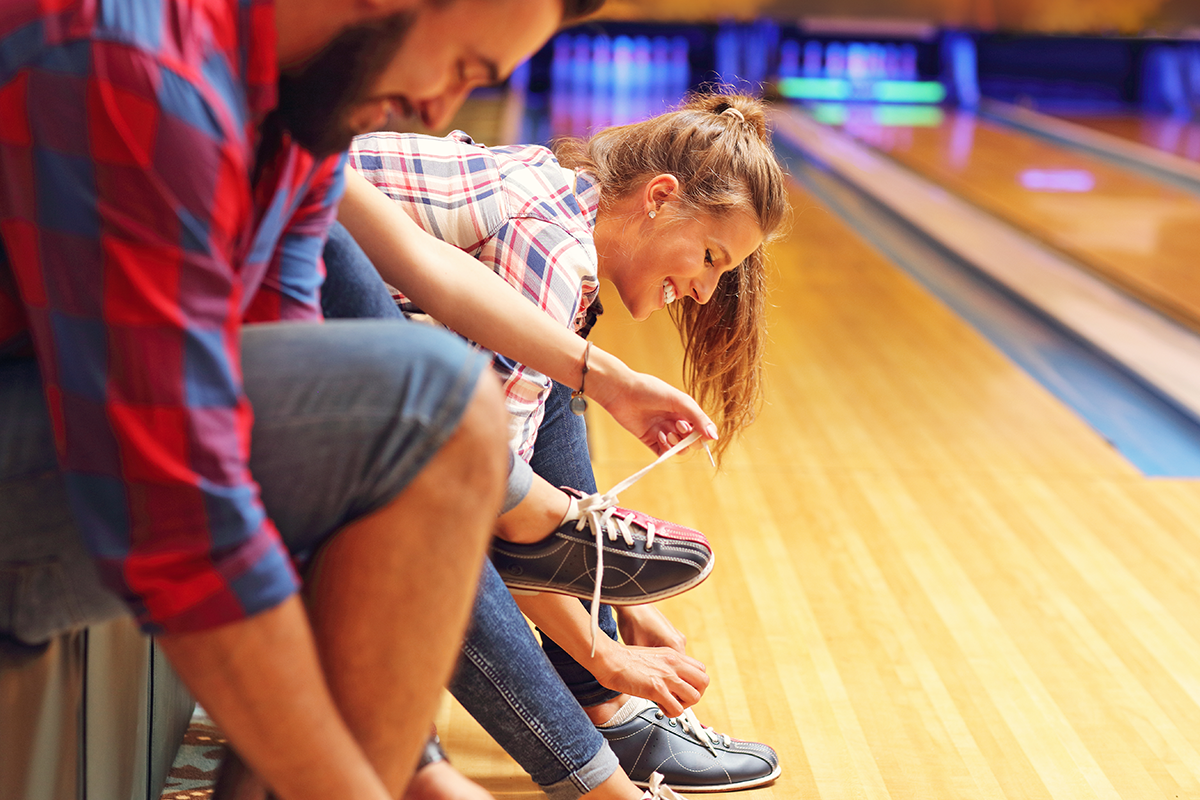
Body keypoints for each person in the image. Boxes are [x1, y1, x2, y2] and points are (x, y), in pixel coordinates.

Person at [0, 1, 715, 799]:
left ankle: (541, 541)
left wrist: (416, 763)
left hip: (82, 428)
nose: (443, 112)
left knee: (445, 406)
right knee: (433, 404)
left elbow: (300, 415)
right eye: (463, 68)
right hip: (51, 461)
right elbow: (180, 505)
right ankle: (544, 562)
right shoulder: (134, 71)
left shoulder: (298, 113)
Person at [337, 91, 790, 794]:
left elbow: (507, 461)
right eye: (710, 257)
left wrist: (622, 604)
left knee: (550, 395)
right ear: (659, 197)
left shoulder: (558, 205)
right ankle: (596, 745)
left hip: (315, 329)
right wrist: (603, 648)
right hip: (275, 338)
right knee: (462, 497)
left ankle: (601, 706)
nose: (705, 292)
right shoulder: (551, 244)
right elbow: (485, 506)